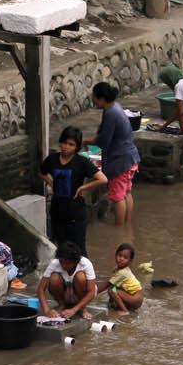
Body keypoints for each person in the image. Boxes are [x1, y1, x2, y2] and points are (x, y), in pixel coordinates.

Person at [38, 126, 106, 255]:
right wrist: (51, 183)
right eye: (64, 143)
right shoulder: (52, 160)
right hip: (57, 210)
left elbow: (102, 179)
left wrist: (83, 187)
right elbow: (41, 172)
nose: (66, 147)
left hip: (76, 213)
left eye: (71, 144)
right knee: (61, 248)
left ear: (77, 147)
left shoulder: (82, 162)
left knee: (79, 249)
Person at [91, 82, 140, 228]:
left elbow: (103, 142)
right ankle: (127, 224)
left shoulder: (111, 113)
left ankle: (119, 230)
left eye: (94, 96)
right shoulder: (115, 107)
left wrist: (88, 145)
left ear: (101, 99)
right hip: (130, 158)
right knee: (126, 192)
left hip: (120, 161)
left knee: (118, 197)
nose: (92, 99)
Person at [38, 241, 97, 319]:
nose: (64, 266)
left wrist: (74, 310)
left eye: (68, 263)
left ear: (75, 262)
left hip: (80, 294)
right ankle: (62, 305)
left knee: (81, 277)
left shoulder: (85, 263)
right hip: (65, 294)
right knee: (54, 278)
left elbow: (91, 292)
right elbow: (41, 289)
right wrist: (47, 310)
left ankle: (82, 307)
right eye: (61, 262)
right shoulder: (54, 263)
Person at [96, 242, 145, 316]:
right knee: (113, 288)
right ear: (115, 255)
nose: (121, 259)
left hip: (136, 299)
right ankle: (115, 306)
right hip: (134, 297)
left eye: (125, 257)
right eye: (119, 255)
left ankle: (125, 311)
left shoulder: (122, 273)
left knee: (112, 290)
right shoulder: (118, 269)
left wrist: (93, 293)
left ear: (130, 261)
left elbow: (107, 285)